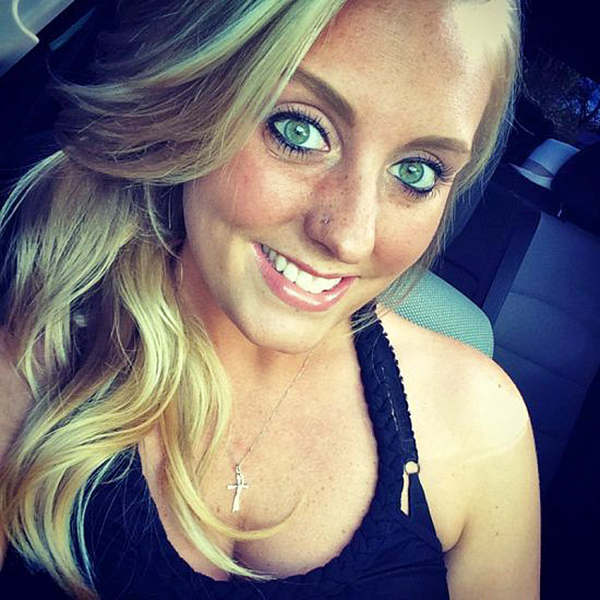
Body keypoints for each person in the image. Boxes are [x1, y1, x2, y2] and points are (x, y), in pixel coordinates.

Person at [0, 0, 540, 598]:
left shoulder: (482, 424)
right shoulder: (34, 355)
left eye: (417, 172)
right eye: (299, 130)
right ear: (195, 103)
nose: (350, 236)